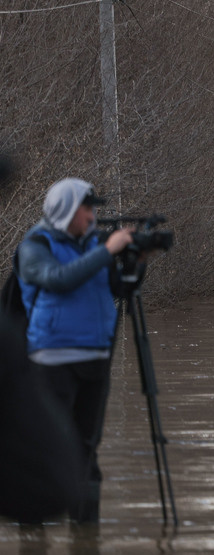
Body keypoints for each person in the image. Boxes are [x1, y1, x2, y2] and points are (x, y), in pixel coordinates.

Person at [15, 177, 134, 522]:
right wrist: (107, 251)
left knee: (86, 450)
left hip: (95, 358)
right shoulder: (35, 246)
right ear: (65, 209)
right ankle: (33, 530)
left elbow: (120, 290)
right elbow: (58, 279)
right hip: (51, 361)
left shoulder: (93, 245)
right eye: (87, 207)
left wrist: (136, 262)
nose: (93, 214)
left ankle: (86, 538)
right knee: (47, 446)